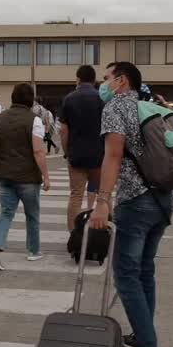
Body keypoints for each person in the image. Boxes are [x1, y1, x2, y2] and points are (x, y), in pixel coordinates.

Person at [90, 61, 173, 347]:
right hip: (162, 199)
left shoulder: (116, 107)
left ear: (121, 81)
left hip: (136, 201)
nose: (104, 84)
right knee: (144, 271)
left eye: (107, 78)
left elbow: (112, 155)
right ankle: (143, 335)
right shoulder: (149, 106)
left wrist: (102, 201)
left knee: (125, 274)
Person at [0, 84, 52, 270]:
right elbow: (39, 151)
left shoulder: (1, 118)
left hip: (2, 174)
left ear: (13, 98)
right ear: (30, 100)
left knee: (6, 212)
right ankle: (33, 251)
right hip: (28, 177)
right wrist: (46, 176)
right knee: (32, 214)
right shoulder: (35, 120)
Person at [60, 64, 104, 230]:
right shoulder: (101, 98)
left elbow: (64, 130)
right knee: (103, 195)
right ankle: (105, 231)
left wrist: (67, 152)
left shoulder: (69, 99)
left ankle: (74, 235)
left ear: (78, 79)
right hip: (99, 157)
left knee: (76, 196)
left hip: (76, 156)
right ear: (94, 80)